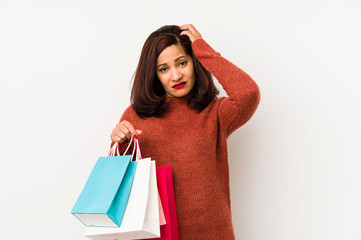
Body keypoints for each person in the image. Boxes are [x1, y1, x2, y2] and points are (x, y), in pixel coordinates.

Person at [110, 24, 261, 240]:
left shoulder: (215, 113)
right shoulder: (136, 115)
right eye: (163, 69)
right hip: (154, 234)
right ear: (153, 75)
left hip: (212, 233)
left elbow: (248, 93)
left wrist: (202, 49)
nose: (176, 75)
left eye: (182, 63)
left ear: (194, 62)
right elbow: (119, 182)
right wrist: (120, 141)